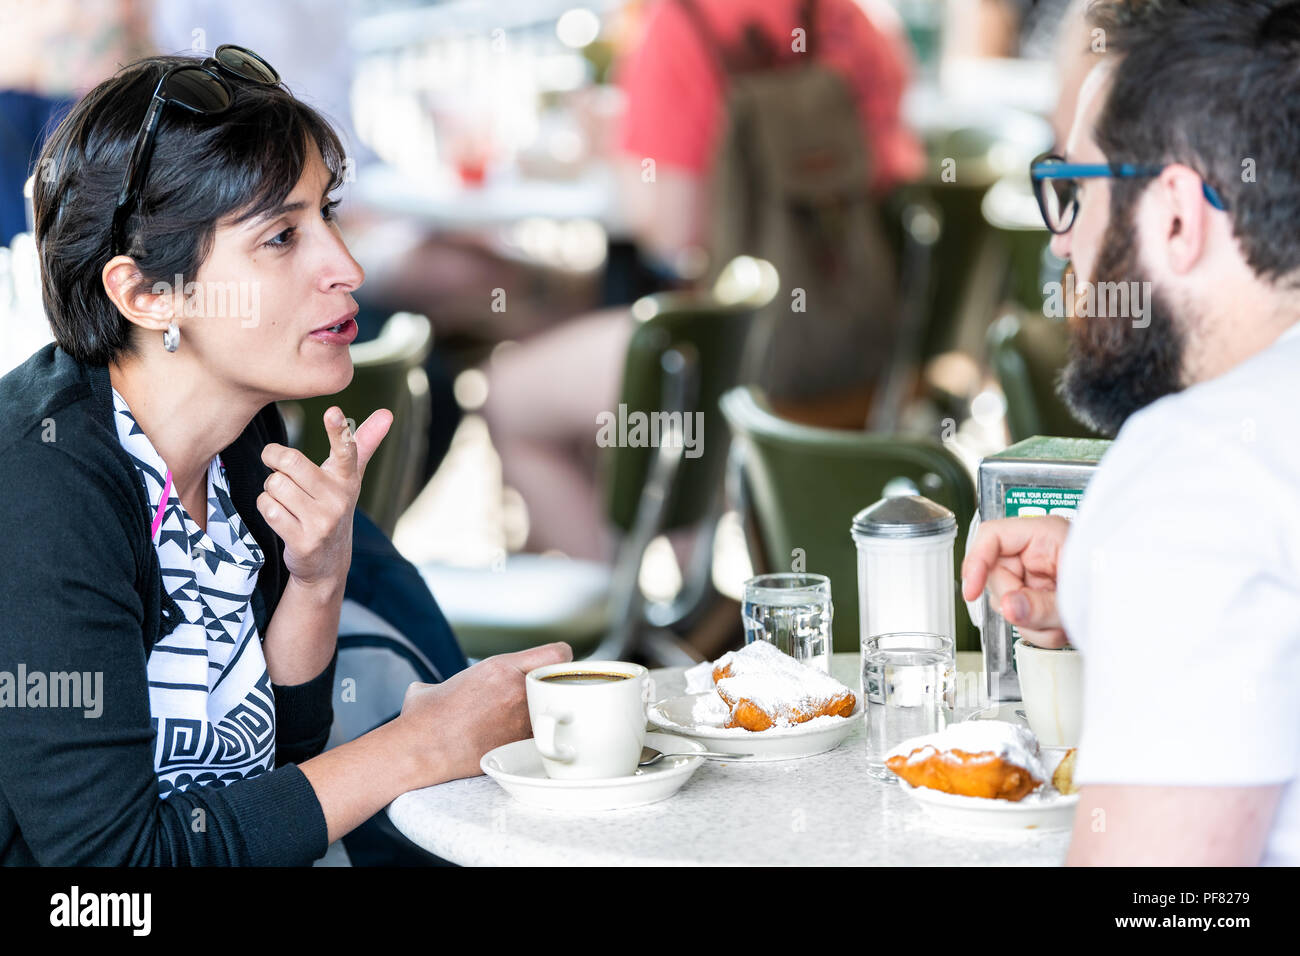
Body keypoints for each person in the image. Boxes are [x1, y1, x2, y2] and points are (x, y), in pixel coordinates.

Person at [0, 48, 569, 866]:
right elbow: (110, 877)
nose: (347, 268)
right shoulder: (43, 487)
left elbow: (281, 775)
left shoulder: (240, 437)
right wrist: (423, 744)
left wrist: (318, 581)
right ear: (146, 293)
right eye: (281, 236)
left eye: (326, 217)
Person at [961, 0, 1300, 865]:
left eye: (1077, 192)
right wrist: (1125, 584)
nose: (1063, 245)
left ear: (1177, 216)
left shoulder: (1197, 473)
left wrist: (1163, 558)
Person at [482, 0, 922, 560]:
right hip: (868, 346)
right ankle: (688, 574)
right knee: (565, 316)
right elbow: (898, 166)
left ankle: (614, 614)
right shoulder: (856, 18)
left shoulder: (682, 23)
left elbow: (669, 231)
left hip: (739, 363)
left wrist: (618, 147)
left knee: (506, 397)